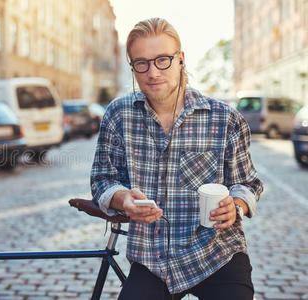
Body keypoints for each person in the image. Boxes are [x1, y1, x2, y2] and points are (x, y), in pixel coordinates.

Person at [90, 17, 263, 300]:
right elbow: (101, 180)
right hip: (153, 257)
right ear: (132, 67)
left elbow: (248, 183)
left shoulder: (225, 118)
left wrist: (237, 205)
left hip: (217, 254)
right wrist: (123, 199)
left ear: (180, 59)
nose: (153, 72)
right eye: (141, 63)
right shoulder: (118, 115)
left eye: (162, 60)